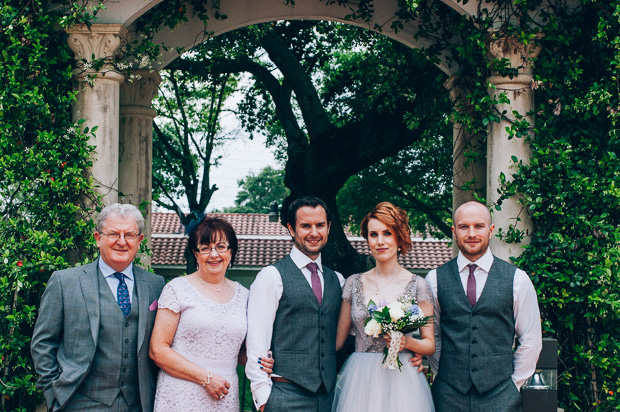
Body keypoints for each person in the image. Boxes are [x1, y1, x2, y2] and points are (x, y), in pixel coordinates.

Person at [31, 203, 165, 412]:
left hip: (139, 404)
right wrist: (53, 393)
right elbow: (43, 343)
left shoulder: (156, 284)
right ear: (97, 238)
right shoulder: (65, 282)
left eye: (129, 235)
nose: (121, 242)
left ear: (139, 240)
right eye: (113, 234)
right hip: (78, 402)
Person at [424, 201, 542, 412]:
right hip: (448, 395)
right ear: (454, 231)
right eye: (463, 227)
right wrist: (446, 375)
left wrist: (512, 386)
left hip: (501, 396)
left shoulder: (517, 279)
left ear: (491, 230)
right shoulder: (434, 279)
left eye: (478, 226)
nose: (471, 233)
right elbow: (433, 337)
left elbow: (531, 340)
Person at [149, 216, 273, 412]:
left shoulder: (246, 296)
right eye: (205, 248)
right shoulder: (177, 289)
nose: (214, 254)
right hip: (180, 394)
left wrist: (260, 359)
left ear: (231, 251)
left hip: (224, 394)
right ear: (195, 253)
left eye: (221, 247)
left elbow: (239, 353)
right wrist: (206, 378)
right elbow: (158, 350)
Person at [332, 202, 435, 412]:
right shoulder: (353, 283)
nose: (380, 241)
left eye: (387, 233)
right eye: (373, 234)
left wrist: (406, 342)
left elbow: (429, 345)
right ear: (367, 239)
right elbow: (337, 342)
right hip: (361, 378)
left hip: (402, 378)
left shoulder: (418, 285)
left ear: (399, 238)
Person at [246, 195, 345, 412]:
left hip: (327, 399)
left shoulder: (338, 280)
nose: (314, 233)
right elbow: (256, 340)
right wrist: (264, 399)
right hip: (283, 395)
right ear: (291, 229)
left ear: (328, 227)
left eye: (320, 225)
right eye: (305, 226)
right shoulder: (271, 276)